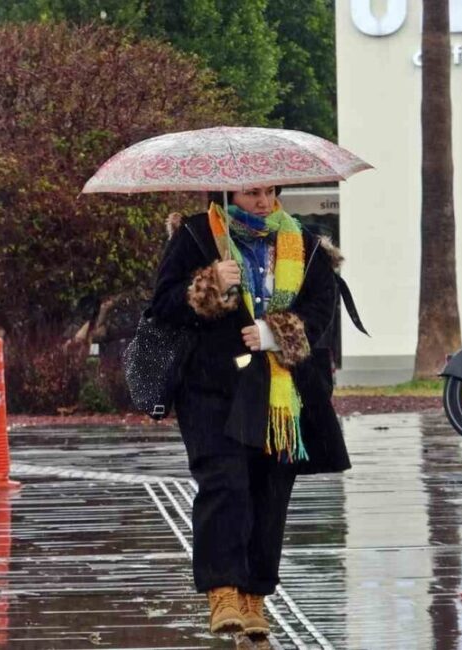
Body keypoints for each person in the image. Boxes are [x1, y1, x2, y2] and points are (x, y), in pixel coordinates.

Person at [150, 186, 350, 638]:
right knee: (224, 483)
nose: (261, 200)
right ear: (228, 192)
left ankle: (254, 600)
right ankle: (222, 593)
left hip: (279, 389)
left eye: (267, 192)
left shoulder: (303, 241)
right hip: (209, 386)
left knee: (269, 491)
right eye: (250, 193)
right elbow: (161, 305)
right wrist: (207, 285)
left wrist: (274, 331)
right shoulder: (198, 235)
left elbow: (322, 306)